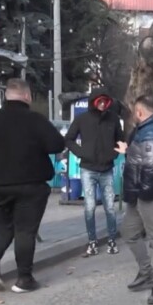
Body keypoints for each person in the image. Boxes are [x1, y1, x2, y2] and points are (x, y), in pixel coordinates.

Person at [0, 79, 65, 293]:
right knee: (25, 230)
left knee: (2, 226)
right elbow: (56, 144)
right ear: (27, 96)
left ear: (6, 96)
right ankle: (24, 279)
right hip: (32, 185)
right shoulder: (35, 120)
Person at [118, 95, 153, 305]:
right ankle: (146, 273)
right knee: (129, 232)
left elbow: (151, 167)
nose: (133, 115)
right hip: (141, 192)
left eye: (134, 111)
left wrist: (143, 195)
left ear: (139, 112)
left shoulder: (151, 132)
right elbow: (142, 160)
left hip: (150, 194)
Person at [64, 88, 124, 256]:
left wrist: (114, 153)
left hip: (107, 168)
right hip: (88, 169)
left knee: (110, 207)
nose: (103, 104)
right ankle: (92, 242)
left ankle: (112, 240)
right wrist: (81, 153)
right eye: (100, 101)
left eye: (105, 101)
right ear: (94, 101)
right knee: (89, 207)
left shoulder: (113, 119)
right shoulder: (82, 119)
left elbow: (121, 139)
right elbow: (68, 139)